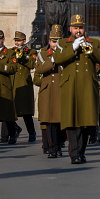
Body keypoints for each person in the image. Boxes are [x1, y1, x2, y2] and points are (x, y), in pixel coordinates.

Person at [53, 14, 100, 164]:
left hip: (88, 87)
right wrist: (73, 47)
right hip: (70, 87)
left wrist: (90, 48)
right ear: (70, 28)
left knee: (86, 122)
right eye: (75, 28)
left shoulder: (94, 43)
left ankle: (81, 152)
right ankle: (74, 153)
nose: (78, 30)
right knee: (71, 122)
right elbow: (57, 59)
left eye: (81, 28)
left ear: (85, 29)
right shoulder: (63, 43)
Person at [35, 25, 64, 158]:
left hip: (60, 90)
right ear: (49, 41)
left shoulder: (66, 53)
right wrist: (53, 59)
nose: (55, 44)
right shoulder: (42, 54)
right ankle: (52, 148)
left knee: (60, 122)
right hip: (47, 92)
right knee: (50, 122)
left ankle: (58, 146)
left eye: (58, 41)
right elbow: (40, 69)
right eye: (53, 41)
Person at [5, 31, 37, 143]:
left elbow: (32, 64)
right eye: (16, 40)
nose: (17, 43)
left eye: (19, 41)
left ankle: (32, 133)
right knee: (9, 112)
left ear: (24, 41)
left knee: (26, 112)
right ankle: (13, 133)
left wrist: (22, 56)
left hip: (24, 84)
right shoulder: (10, 52)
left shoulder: (31, 52)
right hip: (13, 84)